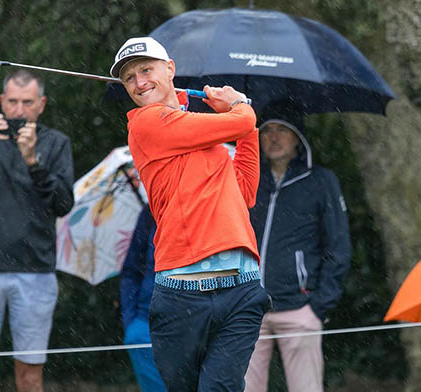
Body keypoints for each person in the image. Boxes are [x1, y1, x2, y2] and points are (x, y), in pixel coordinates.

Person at [110, 36, 269, 391]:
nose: (139, 83)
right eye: (129, 78)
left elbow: (244, 193)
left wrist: (248, 127)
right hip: (182, 297)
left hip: (240, 290)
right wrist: (239, 106)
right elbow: (240, 119)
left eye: (146, 70)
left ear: (170, 70)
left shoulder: (201, 136)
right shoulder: (145, 124)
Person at [245, 107, 352, 392]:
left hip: (299, 308)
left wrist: (317, 307)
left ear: (297, 138)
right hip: (247, 308)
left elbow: (338, 245)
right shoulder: (248, 179)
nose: (273, 137)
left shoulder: (320, 181)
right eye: (266, 130)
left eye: (282, 129)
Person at [0, 70, 74, 392]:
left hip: (35, 271)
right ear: (1, 102)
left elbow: (64, 205)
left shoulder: (55, 142)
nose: (19, 110)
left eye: (27, 102)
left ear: (41, 104)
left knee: (30, 375)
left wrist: (33, 162)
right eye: (12, 101)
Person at [119, 206, 165, 392]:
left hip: (196, 323)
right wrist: (132, 323)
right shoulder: (150, 213)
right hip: (145, 323)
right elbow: (131, 270)